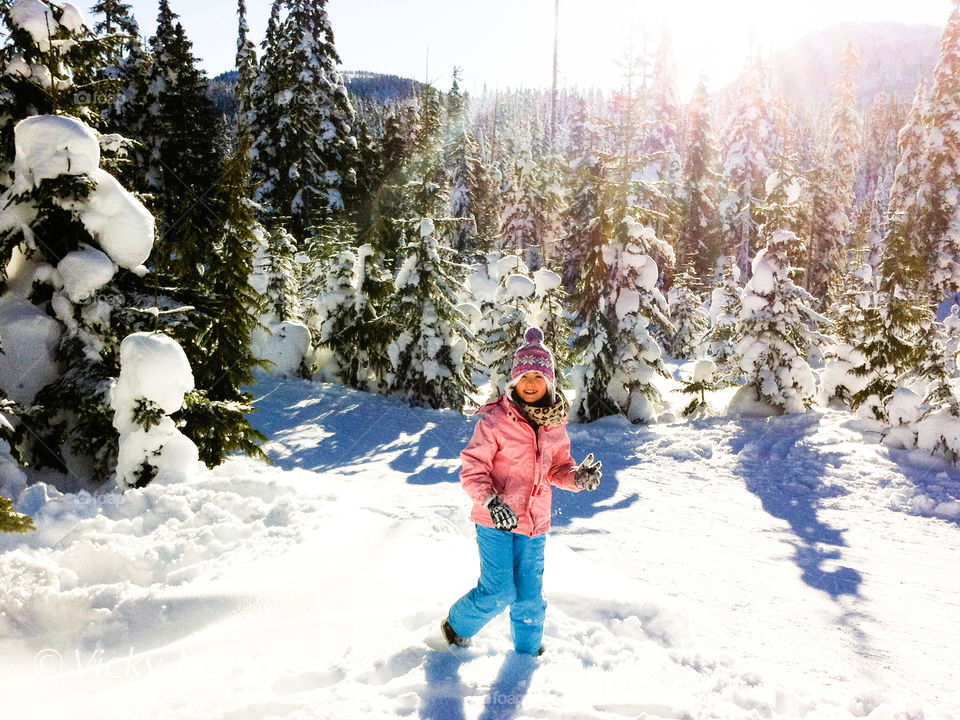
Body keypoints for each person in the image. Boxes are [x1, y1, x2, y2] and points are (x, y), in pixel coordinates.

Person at [441, 327, 602, 655]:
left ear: (549, 383)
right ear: (514, 382)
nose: (530, 383)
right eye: (524, 376)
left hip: (534, 523)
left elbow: (557, 470)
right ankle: (456, 627)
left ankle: (528, 656)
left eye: (538, 377)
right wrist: (490, 500)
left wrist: (576, 478)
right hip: (495, 521)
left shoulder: (554, 425)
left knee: (529, 595)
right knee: (499, 591)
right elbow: (473, 469)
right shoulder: (495, 422)